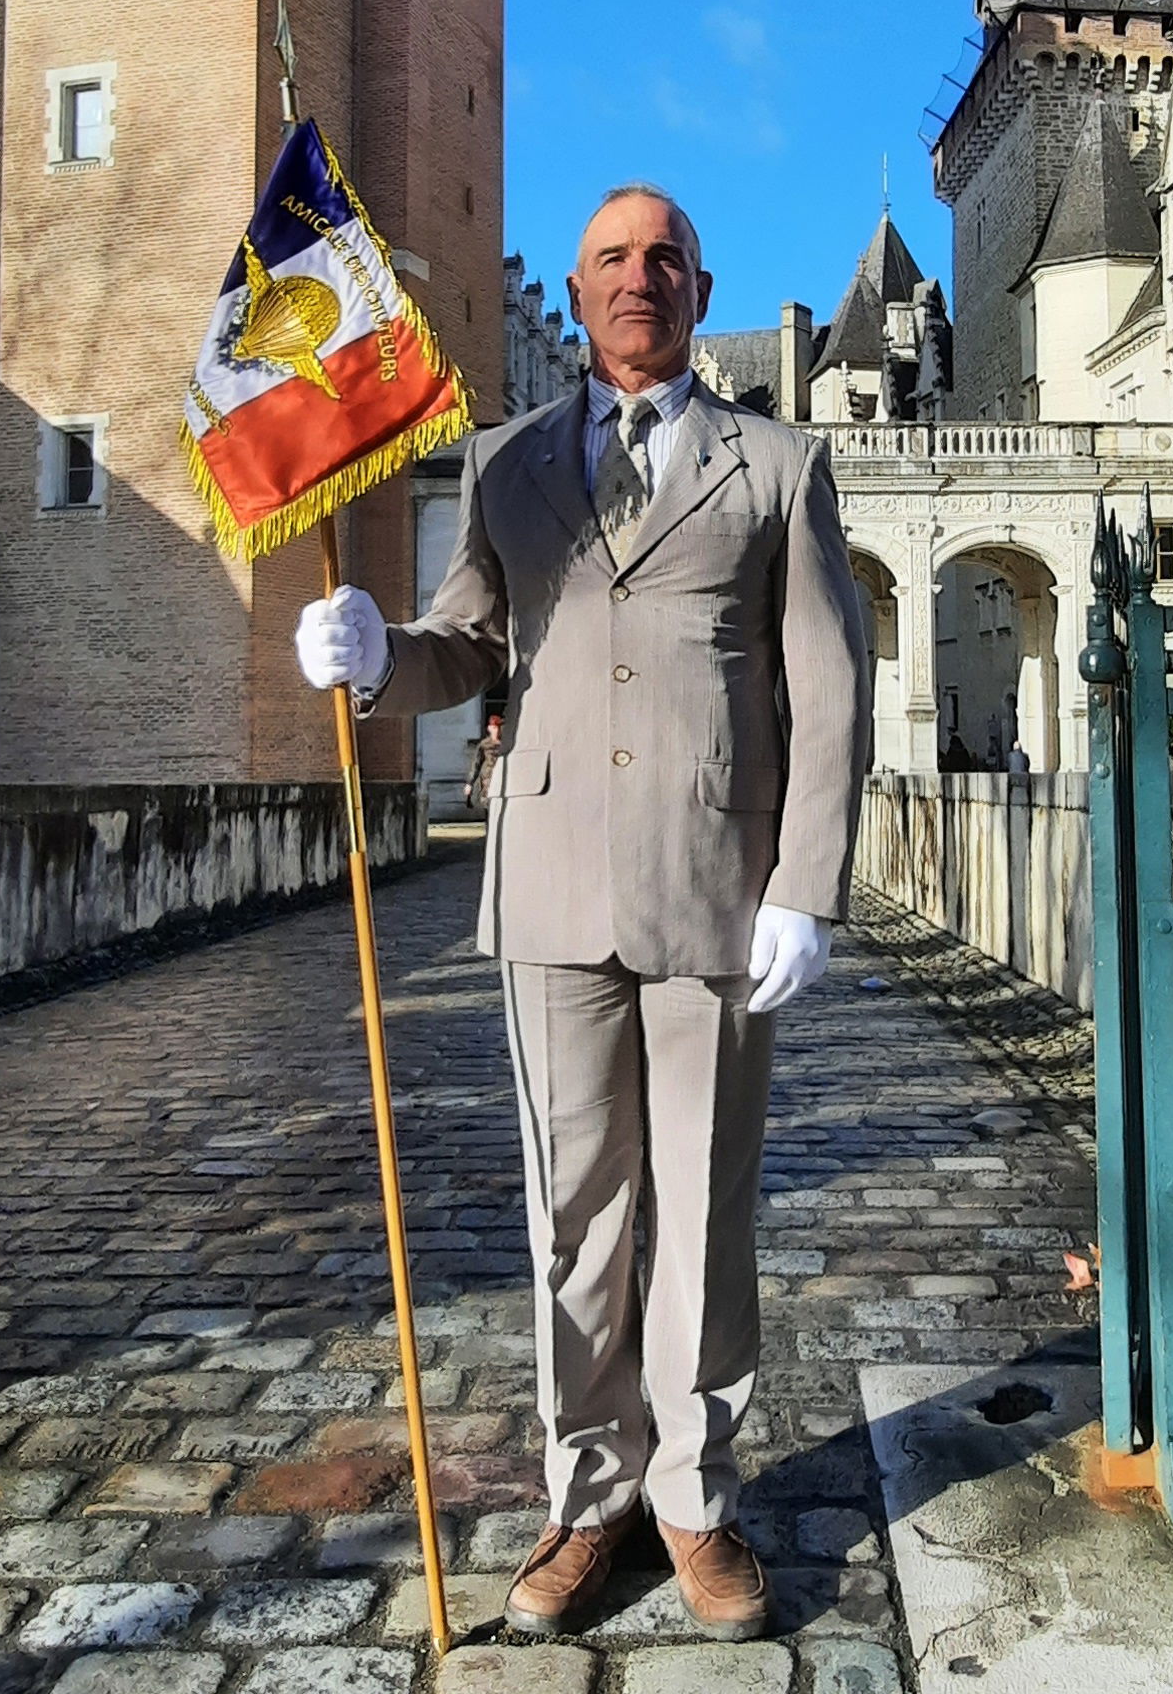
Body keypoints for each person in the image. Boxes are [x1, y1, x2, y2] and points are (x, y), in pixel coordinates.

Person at [295, 185, 869, 1641]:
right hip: (547, 887)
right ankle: (588, 1494)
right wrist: (374, 655)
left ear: (699, 282)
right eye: (612, 259)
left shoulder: (777, 465)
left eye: (664, 257)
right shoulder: (505, 466)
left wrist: (805, 886)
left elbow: (830, 688)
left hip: (715, 893)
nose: (638, 279)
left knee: (705, 1211)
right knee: (577, 1216)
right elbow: (462, 645)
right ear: (580, 282)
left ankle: (695, 1496)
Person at [465, 711, 504, 812]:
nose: (497, 731)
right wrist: (470, 783)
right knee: (489, 808)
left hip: (503, 779)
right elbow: (476, 764)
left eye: (499, 728)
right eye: (495, 728)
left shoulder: (506, 745)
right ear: (490, 728)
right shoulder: (484, 745)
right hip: (488, 782)